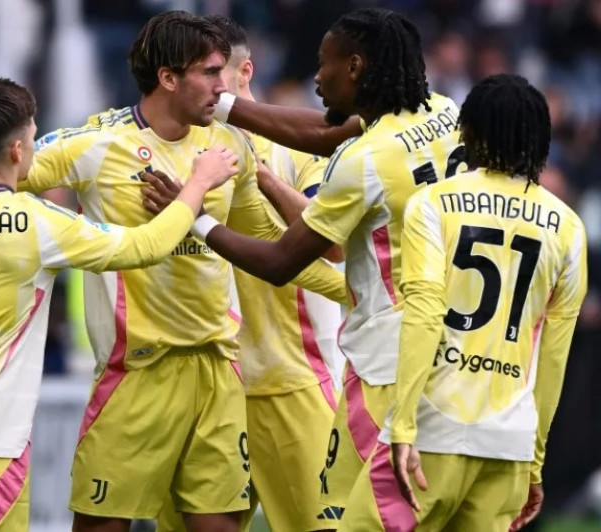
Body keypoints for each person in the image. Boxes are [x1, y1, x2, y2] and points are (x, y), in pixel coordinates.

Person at [0, 12, 346, 532]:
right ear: (168, 78)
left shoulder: (227, 147)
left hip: (218, 371)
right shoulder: (96, 144)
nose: (223, 88)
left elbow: (274, 253)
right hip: (137, 375)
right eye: (210, 74)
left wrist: (356, 291)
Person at [0, 77, 240, 532]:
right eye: (35, 138)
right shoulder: (37, 222)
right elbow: (146, 246)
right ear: (17, 151)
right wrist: (197, 186)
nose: (37, 149)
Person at [145, 8, 465, 530]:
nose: (315, 76)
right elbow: (325, 131)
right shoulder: (439, 110)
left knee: (347, 520)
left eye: (325, 63)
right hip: (442, 346)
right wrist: (226, 108)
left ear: (357, 66)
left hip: (383, 361)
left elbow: (281, 261)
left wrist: (194, 220)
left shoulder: (361, 162)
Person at [341, 74, 588, 532]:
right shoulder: (569, 229)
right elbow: (553, 355)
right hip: (508, 448)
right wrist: (534, 462)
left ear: (468, 132)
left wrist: (404, 427)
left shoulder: (433, 204)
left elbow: (424, 312)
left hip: (432, 431)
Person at [153, 15, 345, 532]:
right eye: (201, 76)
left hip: (292, 379)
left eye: (219, 75)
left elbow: (331, 246)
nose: (210, 90)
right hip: (211, 384)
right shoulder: (178, 152)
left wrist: (258, 175)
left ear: (244, 73)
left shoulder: (302, 145)